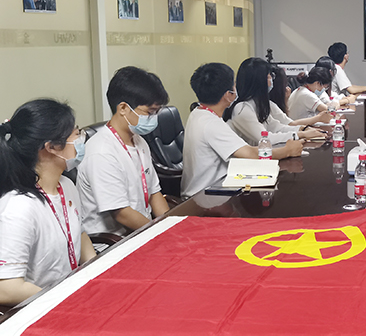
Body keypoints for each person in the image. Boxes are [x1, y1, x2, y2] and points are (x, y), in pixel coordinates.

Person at [0, 99, 96, 306]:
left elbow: (79, 233)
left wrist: (96, 272)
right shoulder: (19, 207)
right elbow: (7, 289)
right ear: (51, 147)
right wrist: (62, 299)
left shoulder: (66, 186)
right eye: (76, 134)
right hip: (43, 306)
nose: (82, 139)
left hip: (72, 293)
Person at [181, 63, 306, 198]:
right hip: (205, 196)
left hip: (213, 188)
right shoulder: (211, 123)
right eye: (234, 85)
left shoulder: (198, 113)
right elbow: (250, 153)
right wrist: (287, 151)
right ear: (228, 95)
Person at [77, 67, 170, 236]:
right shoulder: (101, 152)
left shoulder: (139, 141)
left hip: (142, 230)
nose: (153, 118)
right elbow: (122, 214)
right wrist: (160, 234)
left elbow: (154, 193)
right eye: (149, 112)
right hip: (114, 241)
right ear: (123, 108)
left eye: (157, 112)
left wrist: (171, 226)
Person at [225, 57, 325, 146]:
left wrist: (303, 129)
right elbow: (265, 138)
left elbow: (277, 127)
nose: (272, 80)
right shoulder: (242, 109)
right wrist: (301, 134)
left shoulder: (258, 104)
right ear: (260, 81)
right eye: (269, 76)